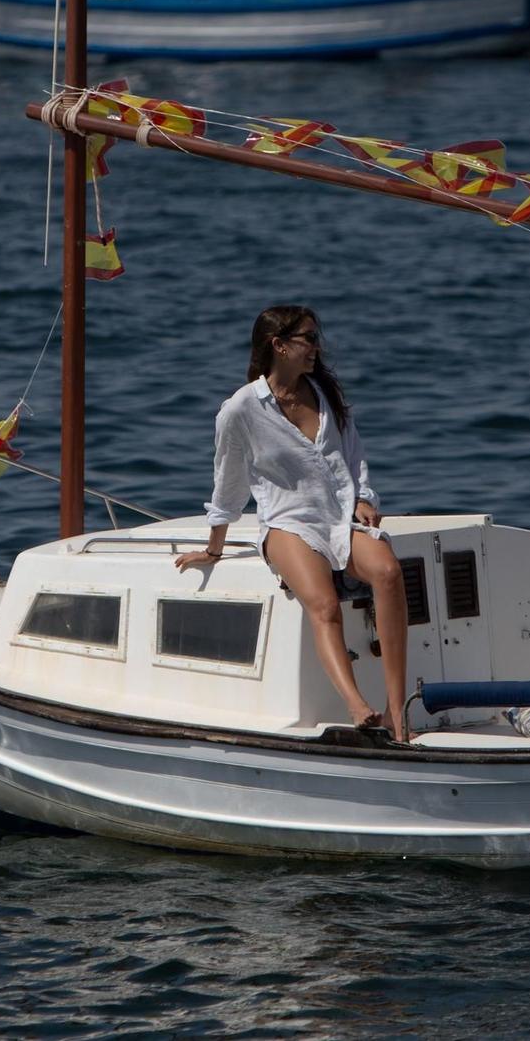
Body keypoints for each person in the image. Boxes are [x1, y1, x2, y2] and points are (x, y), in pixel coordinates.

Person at [175, 308, 413, 742]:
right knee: (323, 605)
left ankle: (400, 713)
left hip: (338, 517)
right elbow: (227, 482)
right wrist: (214, 546)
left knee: (389, 571)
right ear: (278, 346)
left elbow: (354, 451)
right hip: (287, 524)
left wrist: (363, 497)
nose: (316, 347)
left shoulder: (324, 392)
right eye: (307, 339)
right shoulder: (242, 408)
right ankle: (357, 704)